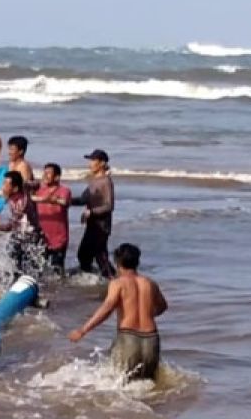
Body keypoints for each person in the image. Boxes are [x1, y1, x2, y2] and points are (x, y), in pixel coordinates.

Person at [68, 242, 167, 381]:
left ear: (118, 263)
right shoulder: (150, 283)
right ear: (137, 262)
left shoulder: (118, 283)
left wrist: (83, 330)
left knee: (120, 387)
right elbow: (162, 306)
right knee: (147, 385)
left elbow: (107, 308)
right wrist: (145, 313)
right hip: (151, 340)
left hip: (128, 339)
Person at [0, 170, 45, 278]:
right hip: (20, 233)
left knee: (26, 267)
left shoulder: (20, 205)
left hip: (29, 237)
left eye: (6, 184)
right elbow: (37, 184)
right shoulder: (21, 190)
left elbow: (8, 227)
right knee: (13, 259)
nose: (2, 187)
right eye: (3, 183)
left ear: (14, 188)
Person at [72, 149, 116, 278]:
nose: (90, 164)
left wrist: (91, 212)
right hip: (92, 225)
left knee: (100, 256)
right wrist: (64, 201)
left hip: (102, 227)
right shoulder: (94, 180)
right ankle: (93, 279)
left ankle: (112, 281)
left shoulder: (106, 181)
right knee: (84, 254)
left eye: (93, 160)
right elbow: (83, 199)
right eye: (90, 160)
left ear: (102, 163)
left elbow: (109, 206)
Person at [32, 163, 71, 275]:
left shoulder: (64, 191)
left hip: (59, 239)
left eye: (48, 173)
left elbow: (64, 202)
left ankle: (59, 291)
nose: (45, 175)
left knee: (57, 271)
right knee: (37, 270)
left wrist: (53, 200)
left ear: (57, 177)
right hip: (42, 237)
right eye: (44, 173)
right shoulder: (39, 191)